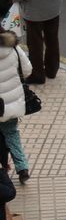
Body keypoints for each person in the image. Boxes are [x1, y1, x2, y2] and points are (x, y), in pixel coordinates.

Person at [0, 30, 30, 184]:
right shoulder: (13, 48)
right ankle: (22, 167)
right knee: (12, 134)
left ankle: (3, 168)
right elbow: (27, 69)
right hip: (11, 103)